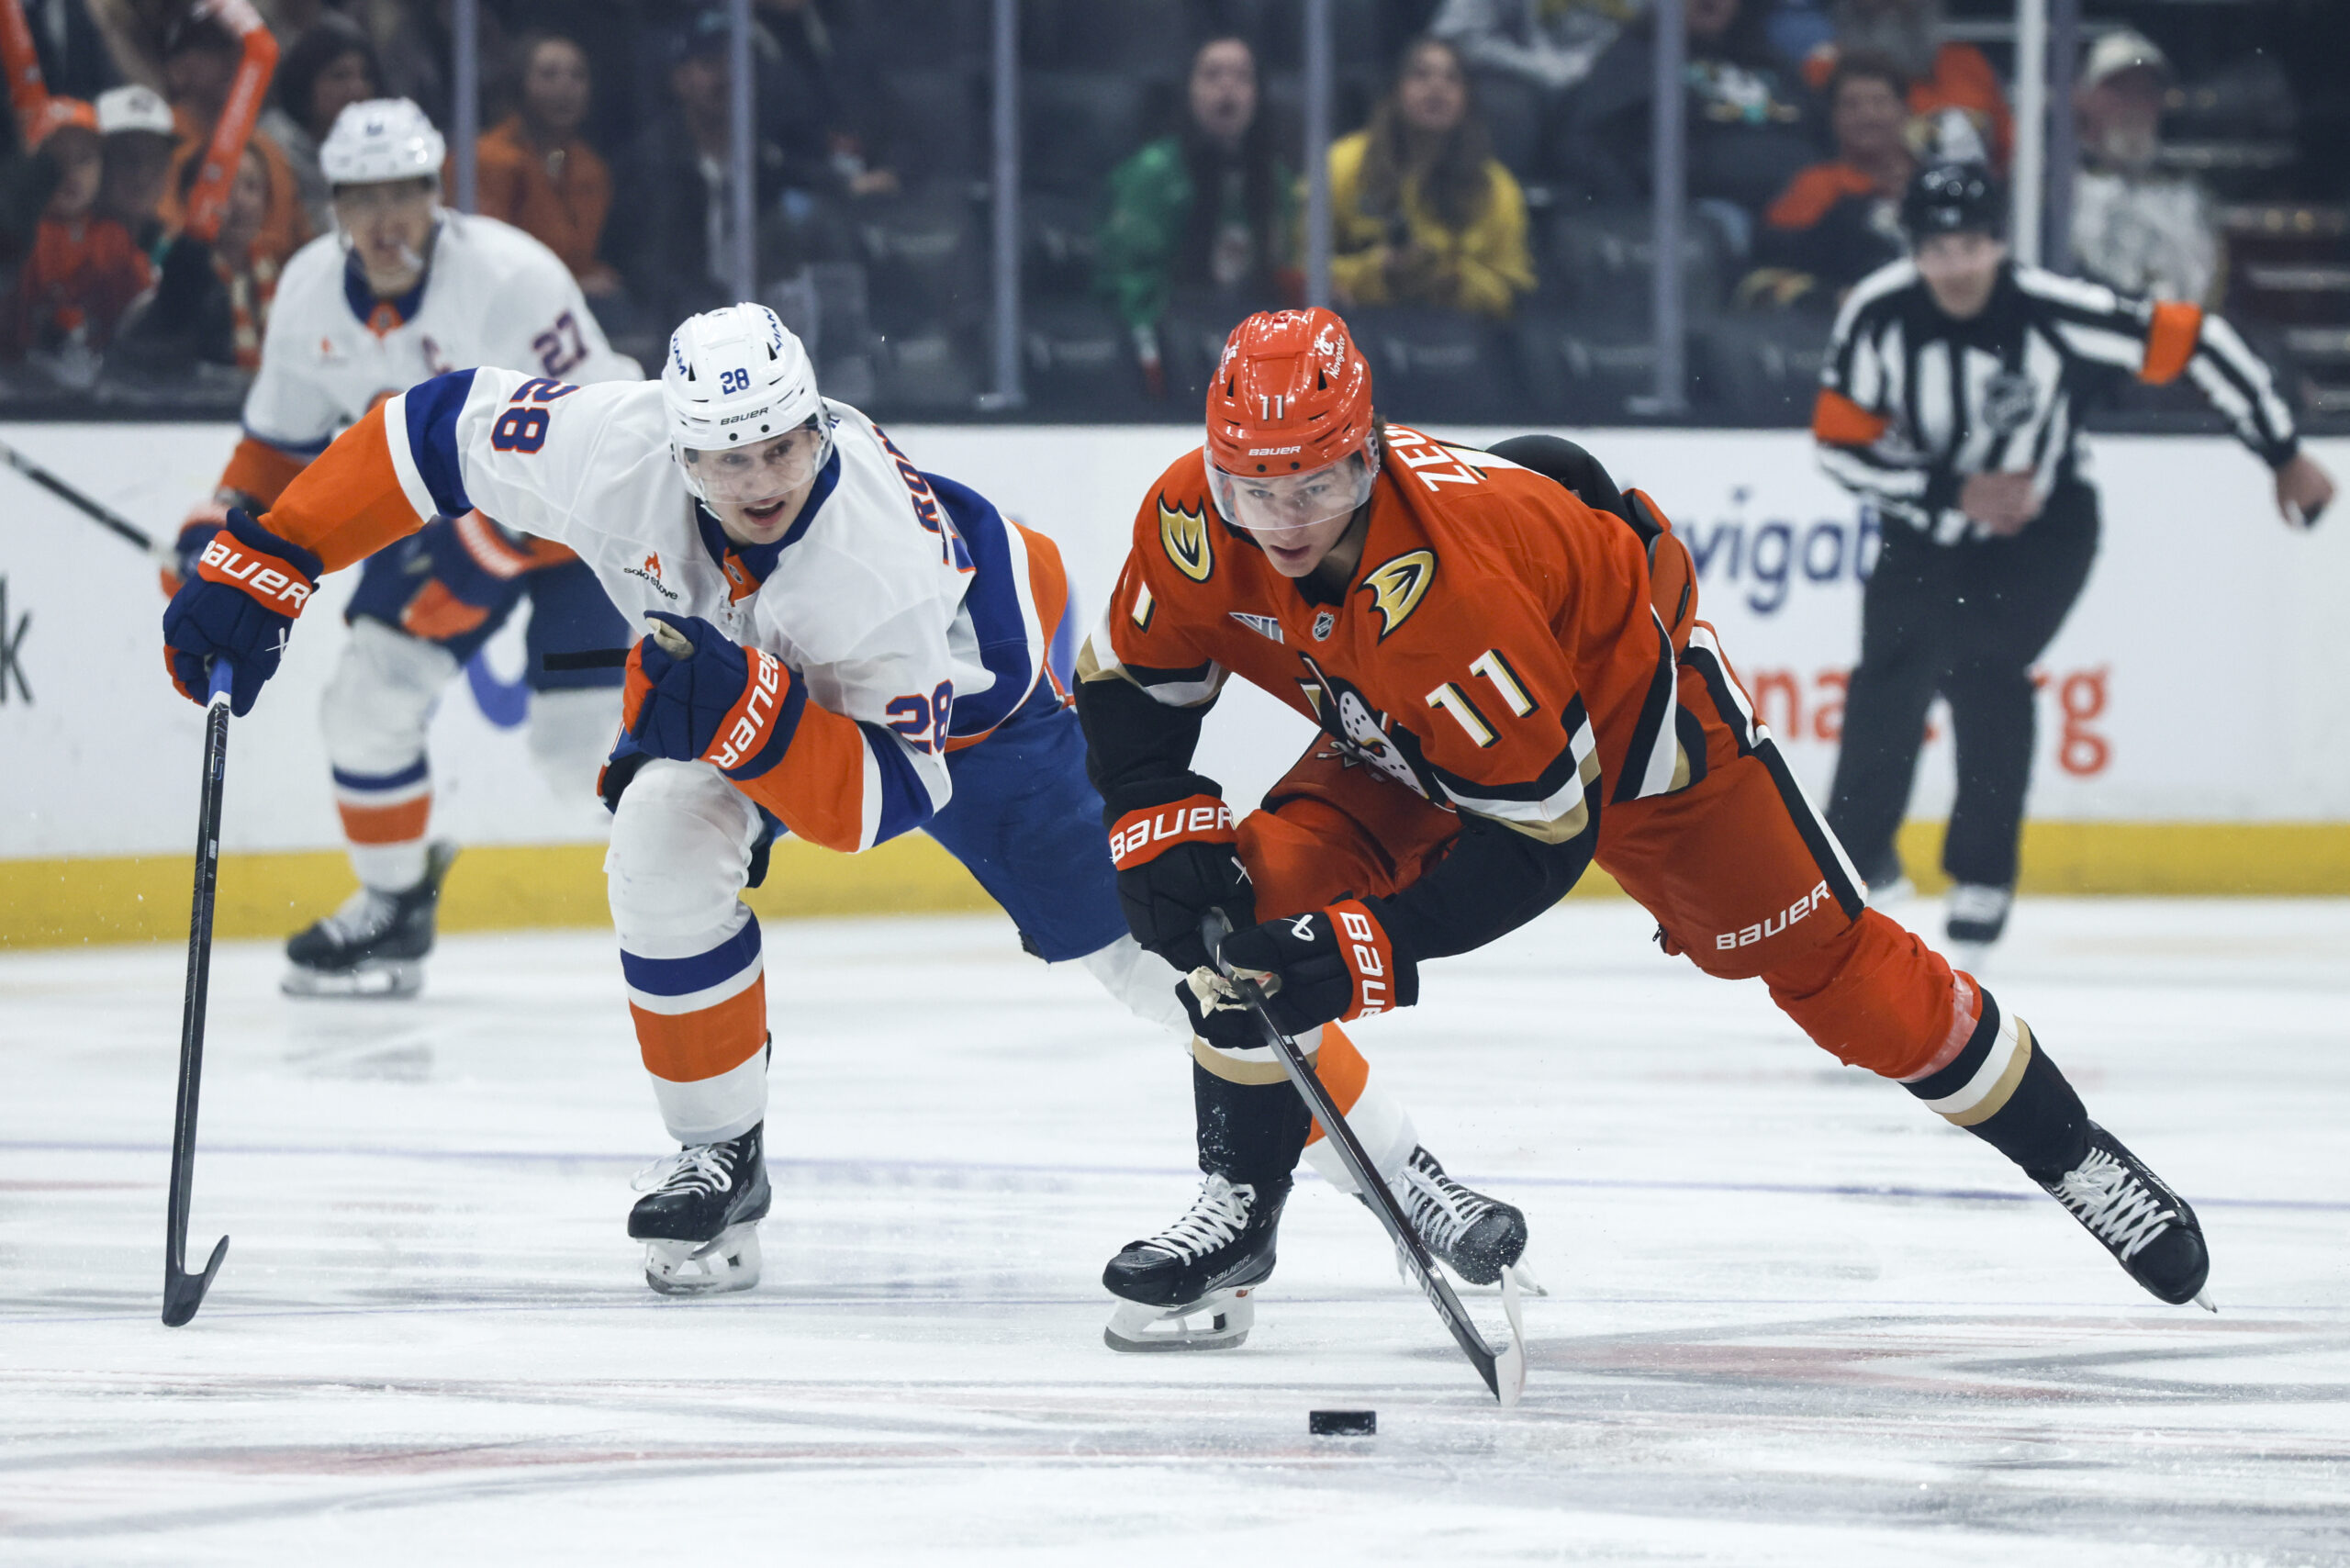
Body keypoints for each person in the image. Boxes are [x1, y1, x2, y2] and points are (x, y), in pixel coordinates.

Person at [158, 301, 1533, 1323]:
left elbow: (882, 801)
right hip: (742, 681)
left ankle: (1407, 1178)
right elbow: (425, 431)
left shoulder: (869, 568)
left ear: (818, 426)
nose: (759, 480)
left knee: (1164, 952)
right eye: (728, 458)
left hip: (984, 714)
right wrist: (272, 553)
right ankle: (719, 1160)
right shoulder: (611, 448)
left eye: (783, 447)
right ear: (678, 446)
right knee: (655, 843)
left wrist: (746, 715)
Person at [1073, 303, 2221, 1350]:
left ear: (1367, 457)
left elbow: (1541, 840)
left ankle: (2074, 1156)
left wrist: (1358, 948)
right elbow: (1130, 681)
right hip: (1405, 733)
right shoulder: (1189, 513)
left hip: (1636, 741)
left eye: (1315, 485)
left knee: (1836, 974)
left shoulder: (1451, 597)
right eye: (1252, 487)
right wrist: (1152, 822)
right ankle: (1240, 1210)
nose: (1280, 519)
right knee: (1245, 899)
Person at [170, 97, 638, 997]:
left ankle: (723, 808)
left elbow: (602, 441)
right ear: (333, 207)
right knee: (365, 700)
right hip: (444, 520)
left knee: (573, 749)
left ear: (436, 194)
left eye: (404, 193)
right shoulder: (308, 292)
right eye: (363, 196)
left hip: (581, 530)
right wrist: (219, 531)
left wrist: (498, 541)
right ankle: (394, 906)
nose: (386, 219)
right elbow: (277, 449)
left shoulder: (510, 277)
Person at [1815, 164, 2333, 965]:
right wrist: (1953, 490)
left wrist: (2283, 452)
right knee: (1890, 667)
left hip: (2044, 524)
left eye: (1972, 245)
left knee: (1985, 661)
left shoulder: (2055, 312)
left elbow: (2200, 341)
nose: (1955, 267)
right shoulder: (1878, 316)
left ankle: (1981, 876)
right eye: (1937, 249)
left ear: (2000, 242)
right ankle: (1855, 860)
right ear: (1912, 249)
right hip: (1927, 515)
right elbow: (1837, 446)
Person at [1095, 35, 1295, 398]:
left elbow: (1284, 270)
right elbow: (1125, 282)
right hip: (1176, 345)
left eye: (1242, 76)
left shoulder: (1274, 179)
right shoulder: (1152, 174)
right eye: (1212, 74)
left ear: (1259, 96)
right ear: (1189, 91)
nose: (1227, 87)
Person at [1560, 0, 1818, 229]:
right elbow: (1596, 146)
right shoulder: (1636, 60)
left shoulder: (1770, 60)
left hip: (1806, 205)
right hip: (1701, 218)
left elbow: (1823, 133)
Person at [1328, 36, 1533, 319]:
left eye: (1452, 79)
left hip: (1461, 333)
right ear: (1395, 91)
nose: (1437, 88)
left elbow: (1513, 289)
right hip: (1361, 328)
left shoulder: (1496, 187)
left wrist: (1457, 280)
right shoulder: (1342, 163)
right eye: (1420, 74)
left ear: (1467, 99)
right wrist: (1376, 269)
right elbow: (1299, 267)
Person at [1750, 50, 1913, 306]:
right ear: (1833, 118)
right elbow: (1774, 269)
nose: (1868, 116)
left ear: (1904, 111)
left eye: (1880, 103)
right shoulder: (1815, 185)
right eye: (1851, 105)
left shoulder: (1935, 181)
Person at [2069, 28, 2219, 308]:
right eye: (2119, 90)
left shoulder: (2189, 197)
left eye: (2145, 91)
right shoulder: (2055, 192)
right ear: (2085, 99)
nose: (2134, 104)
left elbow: (2208, 295)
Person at [471, 32, 621, 302]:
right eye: (549, 75)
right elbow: (486, 264)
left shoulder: (591, 167)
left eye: (577, 75)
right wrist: (574, 285)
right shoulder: (488, 159)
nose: (565, 87)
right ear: (519, 84)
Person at [2, 96, 151, 364]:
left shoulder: (114, 238)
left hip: (101, 380)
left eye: (84, 159)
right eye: (56, 160)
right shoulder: (19, 234)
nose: (72, 173)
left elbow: (142, 313)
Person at [1426, 0, 1639, 175]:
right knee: (1506, 106)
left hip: (1598, 72)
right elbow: (1458, 36)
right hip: (1506, 75)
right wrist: (1538, 68)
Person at [1803, 0, 2009, 168]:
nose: (1890, 5)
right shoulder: (1820, 71)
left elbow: (2010, 153)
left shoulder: (1967, 64)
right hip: (1852, 209)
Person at [259, 12, 384, 238]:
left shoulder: (380, 147)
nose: (356, 89)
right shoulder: (272, 147)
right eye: (340, 76)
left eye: (365, 76)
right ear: (305, 83)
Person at [95, 83, 178, 270]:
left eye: (155, 158)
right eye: (128, 158)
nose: (142, 175)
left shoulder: (178, 254)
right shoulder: (62, 246)